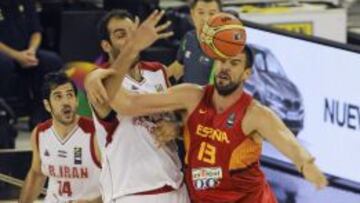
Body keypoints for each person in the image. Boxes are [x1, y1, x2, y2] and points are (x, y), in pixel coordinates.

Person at [85, 39, 329, 202]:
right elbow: (129, 104)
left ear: (246, 74)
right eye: (222, 61)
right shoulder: (192, 95)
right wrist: (94, 76)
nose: (225, 68)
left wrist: (306, 164)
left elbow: (287, 140)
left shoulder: (255, 113)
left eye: (234, 64)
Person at [84, 10, 190, 203]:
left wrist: (177, 127)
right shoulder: (102, 80)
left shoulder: (158, 72)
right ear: (106, 45)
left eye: (133, 32)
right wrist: (133, 46)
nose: (131, 39)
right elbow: (122, 103)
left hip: (175, 187)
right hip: (131, 193)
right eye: (120, 34)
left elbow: (182, 118)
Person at [19, 72, 102, 203]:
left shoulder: (95, 133)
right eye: (58, 97)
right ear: (47, 105)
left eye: (70, 95)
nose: (66, 102)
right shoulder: (40, 133)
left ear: (77, 100)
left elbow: (117, 181)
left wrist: (95, 201)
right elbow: (36, 174)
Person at [0, 0, 63, 127]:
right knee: (5, 64)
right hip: (5, 53)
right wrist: (17, 56)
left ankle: (40, 113)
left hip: (26, 51)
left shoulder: (27, 3)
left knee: (51, 60)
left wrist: (32, 51)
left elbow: (36, 31)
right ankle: (5, 115)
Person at [167, 0, 221, 85]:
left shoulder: (223, 48)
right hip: (184, 95)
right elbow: (178, 67)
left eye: (211, 14)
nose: (206, 19)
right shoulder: (189, 38)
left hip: (207, 96)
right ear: (192, 14)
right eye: (201, 12)